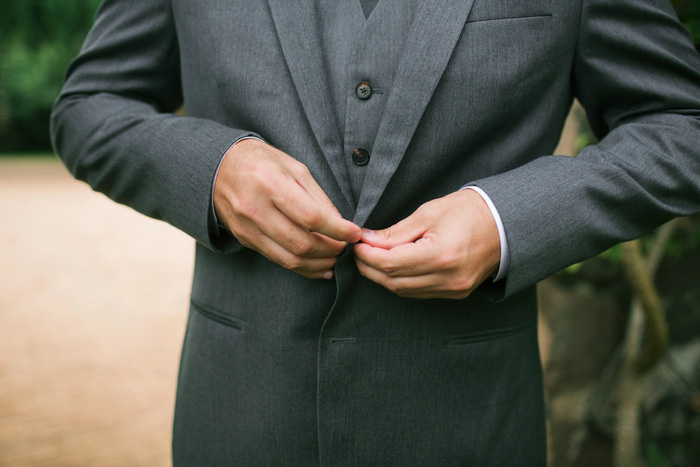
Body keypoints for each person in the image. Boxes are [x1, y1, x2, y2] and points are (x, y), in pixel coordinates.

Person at [51, 0, 700, 465]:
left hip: (470, 430)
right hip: (242, 418)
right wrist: (214, 171)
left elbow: (680, 124)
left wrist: (506, 220)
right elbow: (89, 108)